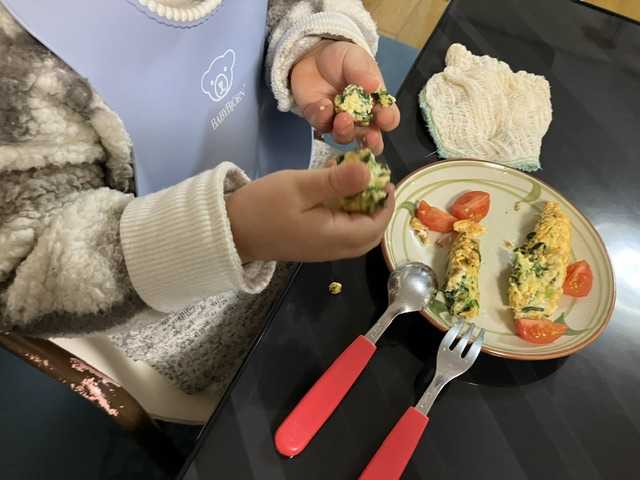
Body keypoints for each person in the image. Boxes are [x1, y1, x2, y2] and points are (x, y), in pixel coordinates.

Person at [0, 0, 400, 396]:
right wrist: (236, 230)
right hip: (193, 317)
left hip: (296, 168)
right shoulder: (16, 60)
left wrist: (313, 43)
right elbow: (28, 268)